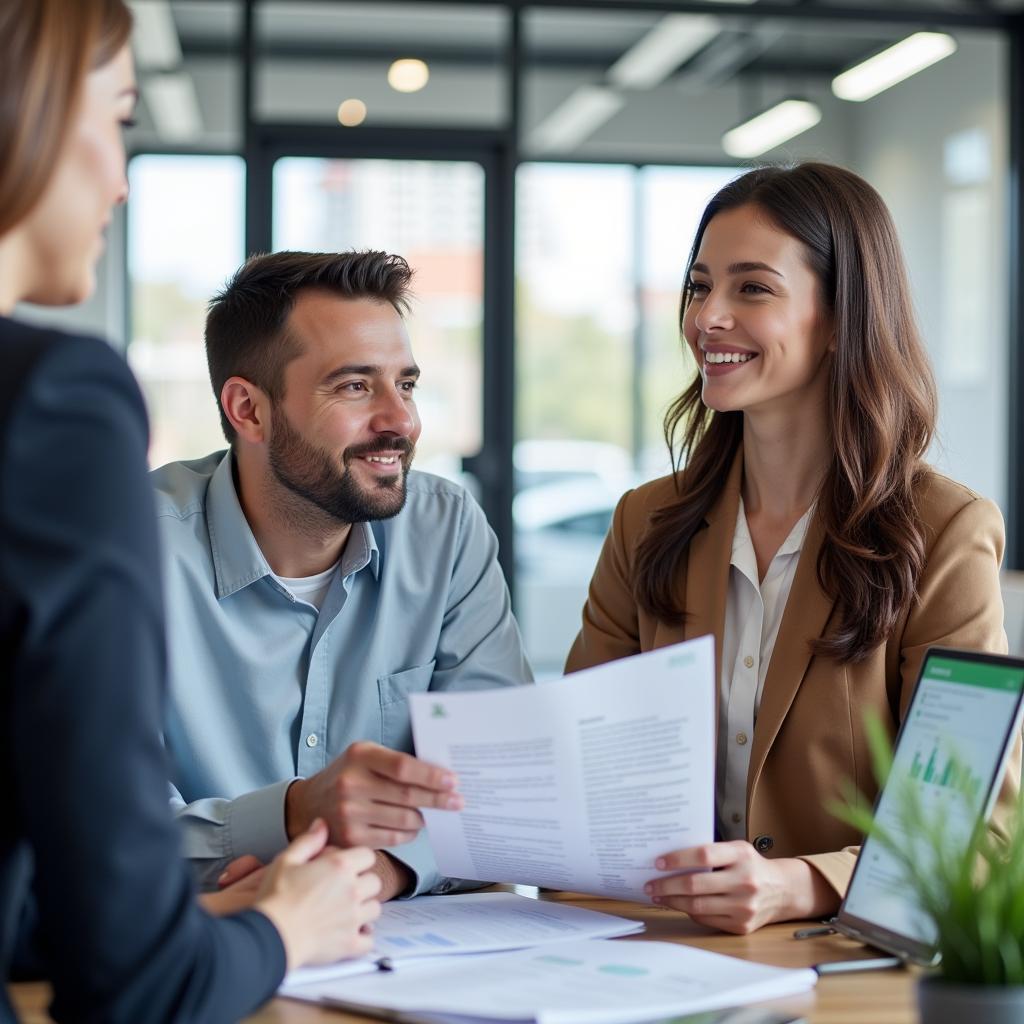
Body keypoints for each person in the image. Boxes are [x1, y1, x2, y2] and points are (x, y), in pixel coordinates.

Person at [0, 2, 381, 1020]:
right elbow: (132, 988)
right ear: (24, 114)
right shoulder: (49, 403)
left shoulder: (442, 529)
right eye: (117, 117)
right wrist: (279, 929)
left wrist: (198, 912)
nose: (120, 176)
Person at [565, 162, 1019, 935]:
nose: (707, 317)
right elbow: (581, 773)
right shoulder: (646, 522)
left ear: (843, 316)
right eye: (699, 286)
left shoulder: (943, 529)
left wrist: (801, 884)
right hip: (645, 950)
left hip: (837, 966)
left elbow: (978, 827)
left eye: (752, 288)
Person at [151, 249, 532, 900]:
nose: (401, 422)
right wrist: (294, 815)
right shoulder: (132, 549)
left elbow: (505, 790)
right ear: (248, 410)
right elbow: (98, 837)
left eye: (405, 385)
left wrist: (377, 874)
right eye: (355, 386)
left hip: (414, 958)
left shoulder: (444, 531)